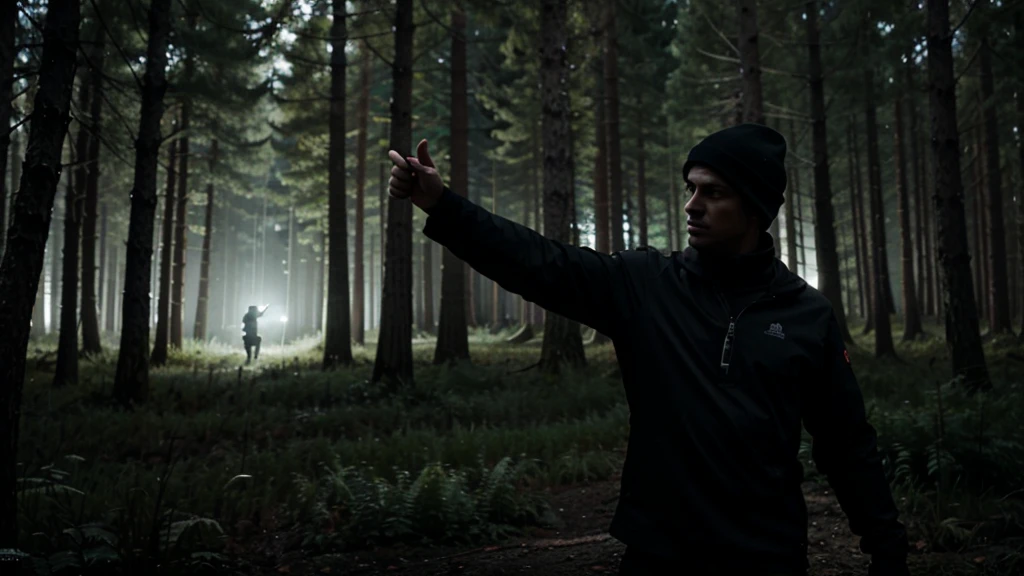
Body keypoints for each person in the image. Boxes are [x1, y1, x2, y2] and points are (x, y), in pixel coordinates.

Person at [386, 124, 910, 576]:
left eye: (713, 193)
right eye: (690, 188)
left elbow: (846, 443)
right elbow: (539, 263)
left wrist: (886, 550)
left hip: (768, 554)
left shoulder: (806, 314)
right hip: (659, 552)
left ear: (755, 207)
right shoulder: (646, 285)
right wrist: (442, 204)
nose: (692, 205)